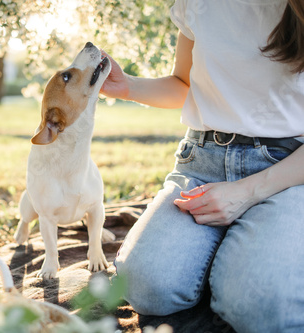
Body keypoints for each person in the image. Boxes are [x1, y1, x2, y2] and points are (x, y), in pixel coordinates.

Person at [100, 0, 304, 332]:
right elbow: (183, 85)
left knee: (262, 307)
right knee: (145, 287)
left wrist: (245, 193)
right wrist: (128, 87)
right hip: (203, 161)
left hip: (287, 173)